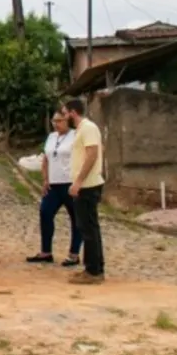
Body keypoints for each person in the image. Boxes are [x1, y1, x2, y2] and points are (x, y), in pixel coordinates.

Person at [27, 110, 82, 266]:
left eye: (60, 120)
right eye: (54, 121)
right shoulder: (51, 137)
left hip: (69, 183)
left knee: (75, 218)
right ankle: (46, 251)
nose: (56, 124)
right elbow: (46, 158)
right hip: (54, 183)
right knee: (45, 212)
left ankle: (74, 253)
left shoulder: (75, 135)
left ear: (67, 121)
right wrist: (45, 179)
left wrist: (78, 181)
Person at [64, 98, 106, 284]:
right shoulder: (82, 129)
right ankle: (94, 267)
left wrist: (79, 181)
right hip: (84, 184)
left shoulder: (88, 128)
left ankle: (94, 271)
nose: (64, 116)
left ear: (73, 112)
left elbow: (92, 154)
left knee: (88, 228)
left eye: (65, 112)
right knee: (88, 227)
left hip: (87, 185)